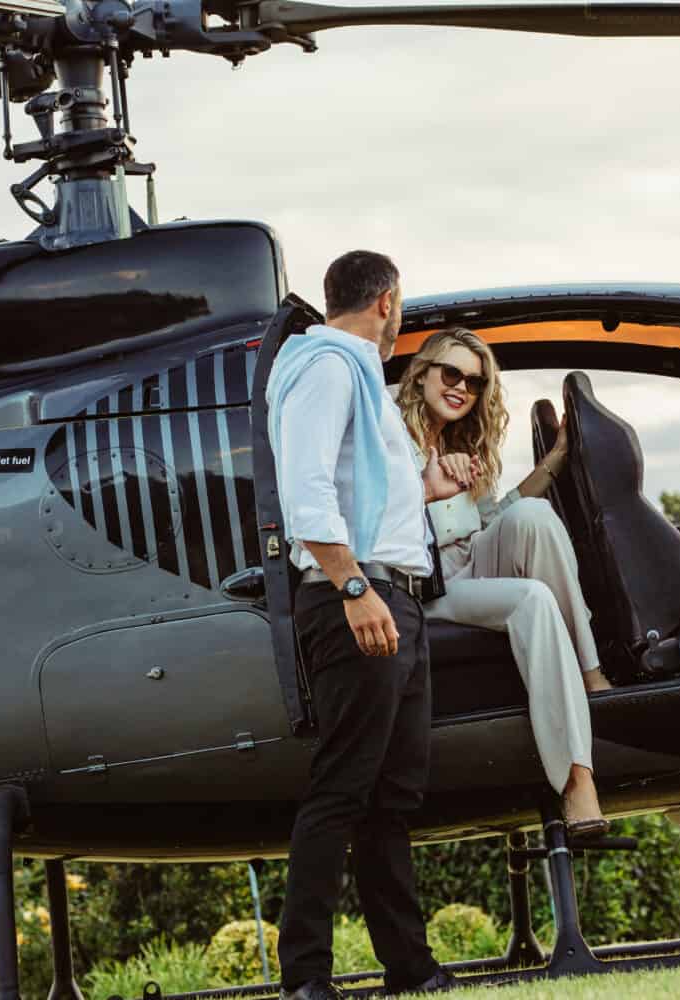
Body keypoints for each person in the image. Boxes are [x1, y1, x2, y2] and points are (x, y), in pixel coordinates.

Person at [267, 251, 460, 999]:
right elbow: (305, 485)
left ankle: (408, 969)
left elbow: (359, 489)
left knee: (391, 797)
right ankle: (305, 979)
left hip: (393, 596)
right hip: (359, 597)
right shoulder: (326, 364)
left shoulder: (355, 375)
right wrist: (352, 586)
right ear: (386, 302)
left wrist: (425, 491)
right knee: (342, 788)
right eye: (400, 306)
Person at [394, 327, 611, 837]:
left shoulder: (461, 442)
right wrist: (424, 489)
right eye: (451, 374)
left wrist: (555, 462)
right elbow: (374, 524)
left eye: (474, 382)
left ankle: (591, 673)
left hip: (473, 563)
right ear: (422, 373)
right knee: (532, 599)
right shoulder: (393, 440)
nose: (461, 388)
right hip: (426, 588)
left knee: (533, 515)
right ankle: (577, 781)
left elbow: (494, 515)